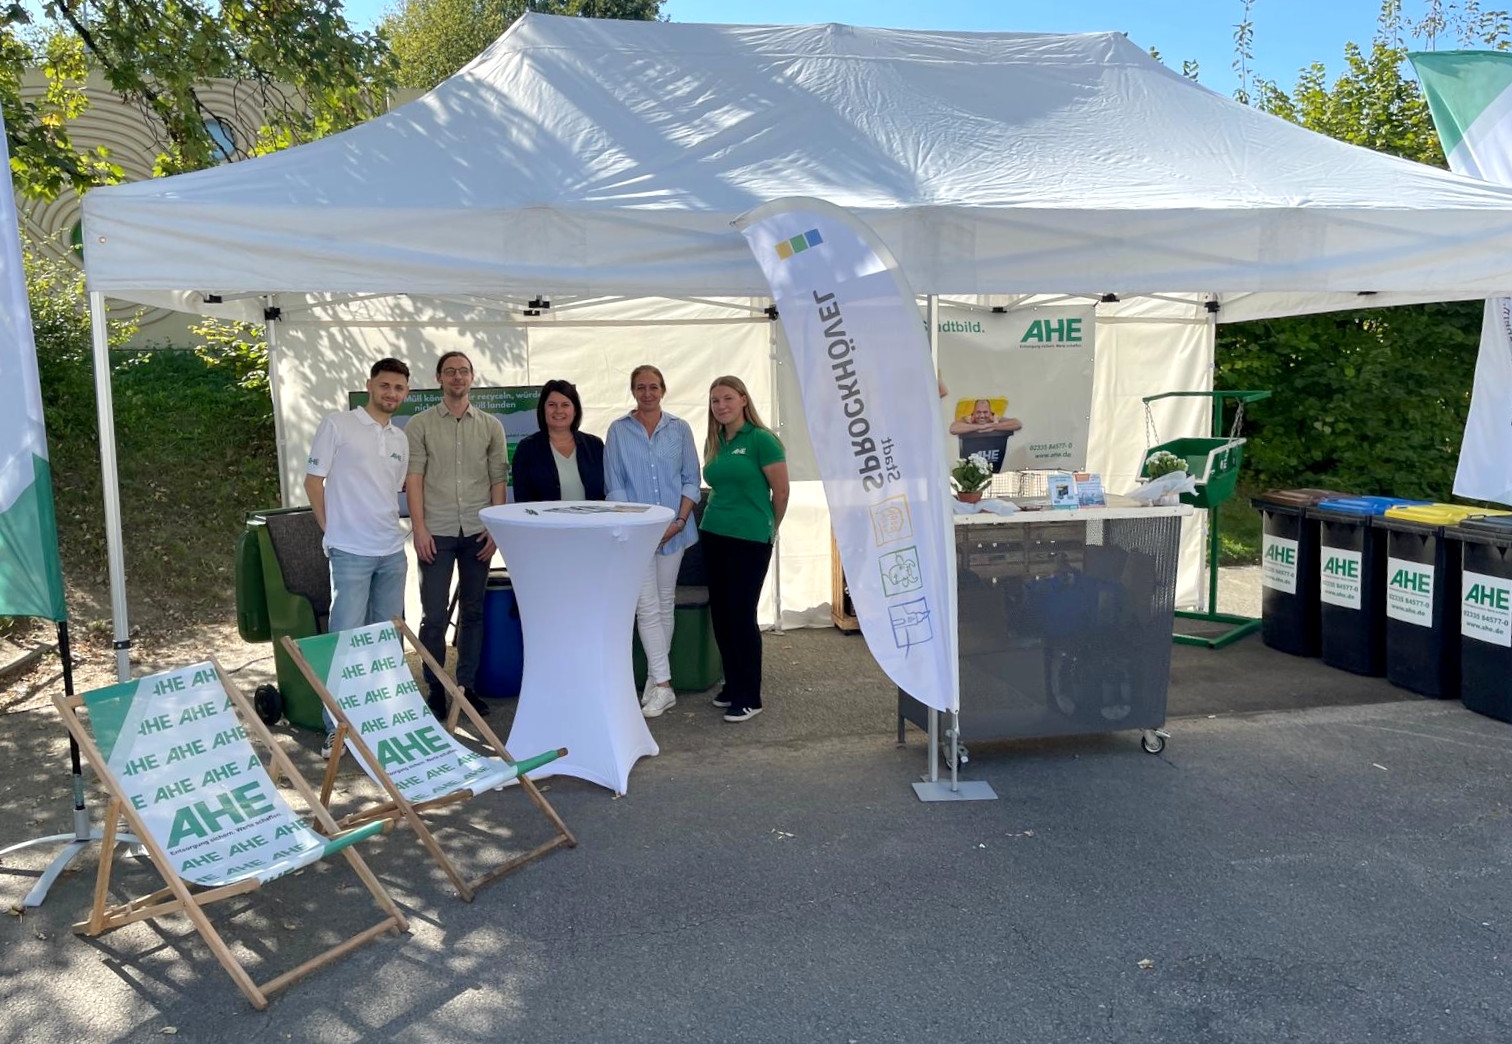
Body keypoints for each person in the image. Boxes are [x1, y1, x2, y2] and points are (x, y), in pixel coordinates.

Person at [304, 357, 412, 757]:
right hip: (350, 550)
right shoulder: (338, 424)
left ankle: (380, 721)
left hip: (391, 550)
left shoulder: (399, 439)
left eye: (399, 388)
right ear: (370, 385)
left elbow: (388, 491)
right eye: (385, 386)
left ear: (406, 393)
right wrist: (331, 530)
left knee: (386, 640)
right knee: (344, 641)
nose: (391, 394)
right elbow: (313, 481)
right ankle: (336, 727)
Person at [405, 351, 509, 722]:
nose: (457, 378)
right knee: (433, 616)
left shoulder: (490, 426)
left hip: (478, 532)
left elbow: (499, 479)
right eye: (450, 372)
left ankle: (466, 688)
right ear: (439, 378)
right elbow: (413, 478)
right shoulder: (419, 424)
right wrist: (419, 529)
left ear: (472, 377)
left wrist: (495, 528)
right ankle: (435, 688)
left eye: (463, 372)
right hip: (437, 532)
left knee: (474, 612)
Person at [604, 365, 702, 719]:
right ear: (632, 391)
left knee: (663, 604)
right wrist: (642, 529)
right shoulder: (617, 431)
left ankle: (655, 679)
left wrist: (676, 522)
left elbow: (692, 479)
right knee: (645, 607)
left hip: (675, 531)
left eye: (653, 387)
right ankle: (664, 687)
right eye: (641, 387)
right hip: (638, 536)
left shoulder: (680, 429)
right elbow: (614, 486)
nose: (647, 393)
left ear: (663, 389)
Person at [700, 375, 789, 723]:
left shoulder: (762, 440)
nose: (721, 406)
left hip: (750, 539)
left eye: (727, 398)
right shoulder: (716, 440)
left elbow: (780, 493)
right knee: (721, 615)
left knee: (741, 615)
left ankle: (750, 695)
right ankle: (732, 684)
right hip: (714, 533)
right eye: (714, 401)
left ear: (742, 400)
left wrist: (770, 527)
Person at [510, 379, 606, 502]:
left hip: (592, 520)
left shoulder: (595, 446)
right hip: (545, 521)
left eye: (565, 405)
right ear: (542, 409)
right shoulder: (527, 449)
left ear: (575, 410)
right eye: (552, 405)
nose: (559, 410)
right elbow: (522, 499)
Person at [948, 398, 1023, 436]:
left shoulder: (993, 418)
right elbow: (953, 429)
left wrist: (993, 426)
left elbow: (1017, 424)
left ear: (991, 413)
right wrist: (980, 427)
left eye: (985, 412)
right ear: (973, 414)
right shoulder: (969, 419)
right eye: (978, 412)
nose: (982, 416)